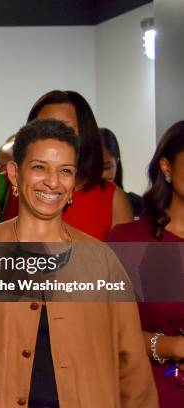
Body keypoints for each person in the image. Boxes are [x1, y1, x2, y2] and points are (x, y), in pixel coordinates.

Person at [0, 118, 158, 407]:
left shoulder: (102, 262)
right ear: (15, 174)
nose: (53, 182)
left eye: (65, 171)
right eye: (40, 167)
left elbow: (132, 367)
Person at [0, 90, 133, 240]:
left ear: (84, 134)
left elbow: (120, 270)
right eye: (43, 126)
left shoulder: (113, 200)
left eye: (65, 129)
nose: (53, 137)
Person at [107, 120, 184, 407]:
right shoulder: (128, 242)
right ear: (166, 166)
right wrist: (170, 345)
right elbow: (104, 328)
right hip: (153, 393)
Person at [100, 127, 144, 217]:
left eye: (106, 167)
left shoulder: (137, 205)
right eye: (93, 168)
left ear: (117, 162)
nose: (100, 175)